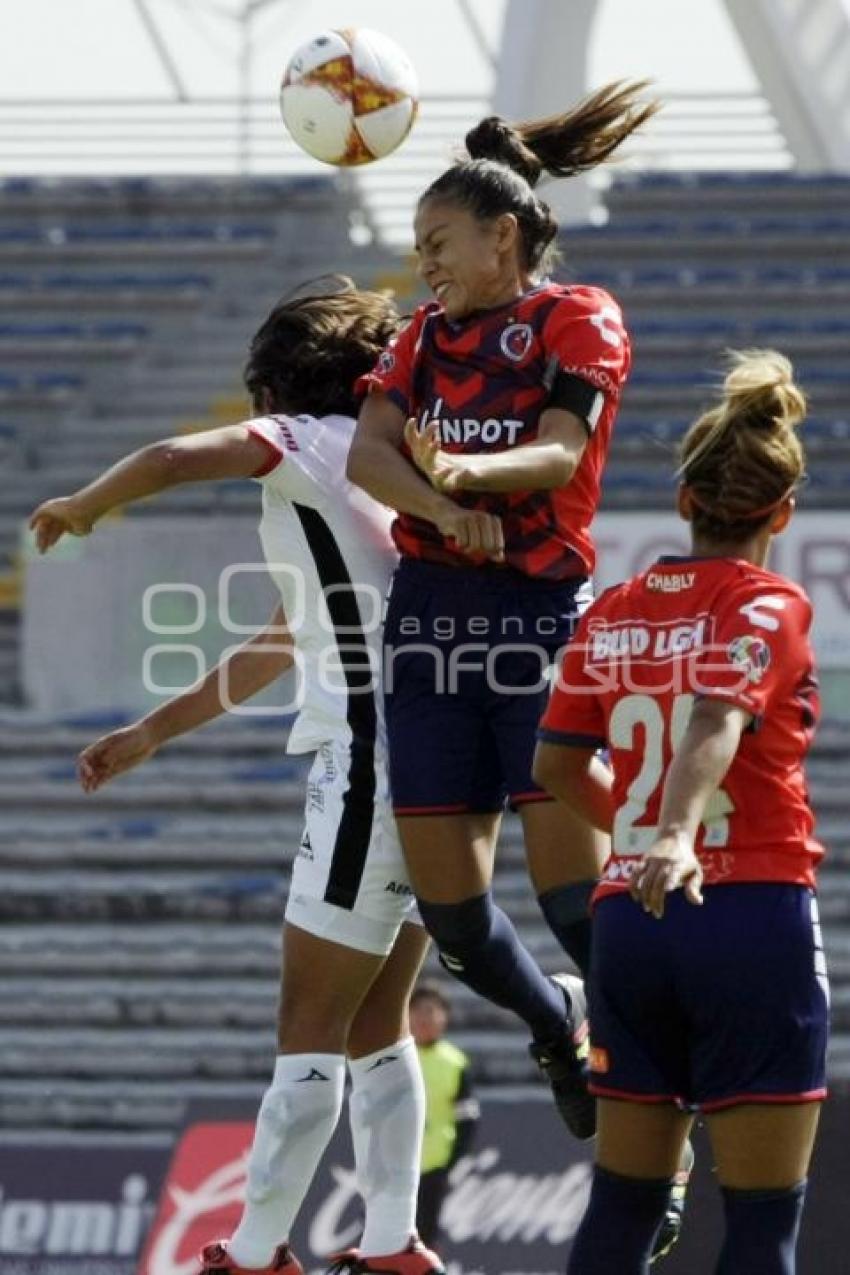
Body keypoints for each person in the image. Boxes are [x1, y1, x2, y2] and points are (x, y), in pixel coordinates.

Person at [30, 279, 448, 1275]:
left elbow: (179, 455)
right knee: (377, 1020)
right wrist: (151, 733)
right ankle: (390, 1242)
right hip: (432, 762)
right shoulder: (379, 471)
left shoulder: (304, 444)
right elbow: (277, 641)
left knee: (307, 1020)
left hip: (368, 768)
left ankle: (257, 1252)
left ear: (275, 387)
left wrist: (85, 505)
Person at [346, 81, 659, 1144]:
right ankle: (554, 1027)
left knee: (576, 906)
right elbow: (367, 453)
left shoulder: (578, 316)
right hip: (428, 621)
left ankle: (648, 1095)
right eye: (417, 244)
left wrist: (470, 478)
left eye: (438, 241)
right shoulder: (420, 334)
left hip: (534, 621)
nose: (424, 262)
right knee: (455, 923)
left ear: (504, 235)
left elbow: (563, 453)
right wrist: (437, 501)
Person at [534, 350, 828, 1275]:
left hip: (631, 923)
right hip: (746, 917)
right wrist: (676, 830)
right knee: (759, 1224)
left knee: (620, 1211)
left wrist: (636, 830)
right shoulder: (769, 604)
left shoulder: (613, 609)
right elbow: (718, 712)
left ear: (683, 502)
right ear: (781, 514)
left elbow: (552, 762)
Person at [409, 981, 480, 1248]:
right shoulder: (393, 1057)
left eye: (432, 1011)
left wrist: (450, 1162)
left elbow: (467, 1118)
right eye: (418, 1010)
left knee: (425, 1238)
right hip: (393, 1164)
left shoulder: (455, 1062)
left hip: (434, 1165)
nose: (424, 1018)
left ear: (445, 1017)